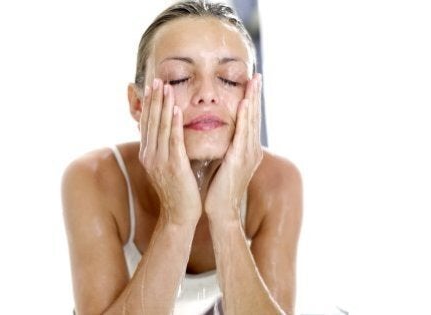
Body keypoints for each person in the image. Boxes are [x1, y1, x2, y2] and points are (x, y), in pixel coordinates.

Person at [61, 1, 303, 314]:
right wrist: (177, 218)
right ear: (137, 104)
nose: (207, 93)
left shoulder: (278, 182)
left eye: (229, 78)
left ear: (253, 97)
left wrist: (227, 216)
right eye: (178, 78)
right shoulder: (93, 178)